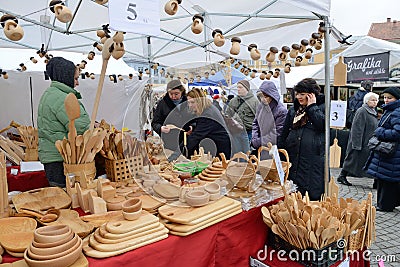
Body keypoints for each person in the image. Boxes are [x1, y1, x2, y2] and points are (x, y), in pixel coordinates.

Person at [37, 57, 90, 187]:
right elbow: (82, 129)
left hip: (52, 158)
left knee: (61, 200)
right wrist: (93, 127)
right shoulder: (61, 97)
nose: (77, 83)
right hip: (61, 160)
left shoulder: (50, 94)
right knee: (69, 200)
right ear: (65, 77)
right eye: (76, 78)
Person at [277, 78, 325, 201]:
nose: (298, 97)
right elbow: (285, 132)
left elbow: (322, 125)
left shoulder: (322, 108)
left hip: (312, 160)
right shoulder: (294, 110)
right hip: (293, 157)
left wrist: (312, 107)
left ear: (311, 94)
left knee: (311, 195)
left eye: (302, 94)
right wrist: (281, 153)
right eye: (297, 93)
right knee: (293, 193)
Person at [168, 88, 231, 161]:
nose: (190, 105)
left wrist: (174, 157)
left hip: (221, 148)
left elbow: (194, 138)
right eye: (189, 102)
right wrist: (193, 127)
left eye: (192, 102)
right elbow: (198, 123)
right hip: (215, 144)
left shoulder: (208, 114)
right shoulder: (206, 109)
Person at [366, 87, 400, 212]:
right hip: (388, 152)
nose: (386, 100)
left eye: (389, 98)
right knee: (383, 179)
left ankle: (385, 205)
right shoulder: (390, 110)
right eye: (385, 97)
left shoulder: (396, 111)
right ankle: (383, 203)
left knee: (387, 180)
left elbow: (397, 132)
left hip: (392, 152)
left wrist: (381, 132)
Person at [337, 92, 379, 186]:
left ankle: (376, 181)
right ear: (367, 101)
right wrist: (356, 144)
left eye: (376, 100)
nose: (375, 102)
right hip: (361, 142)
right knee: (352, 160)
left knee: (371, 162)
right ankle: (342, 176)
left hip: (369, 143)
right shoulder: (362, 111)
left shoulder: (372, 112)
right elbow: (357, 128)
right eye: (373, 100)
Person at [151, 79, 193, 151]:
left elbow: (195, 118)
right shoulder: (162, 103)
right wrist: (161, 128)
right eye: (171, 93)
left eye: (176, 94)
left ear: (182, 91)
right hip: (169, 142)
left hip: (188, 141)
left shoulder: (189, 102)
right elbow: (155, 123)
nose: (173, 97)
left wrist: (193, 127)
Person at [251, 81, 287, 159]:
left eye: (266, 96)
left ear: (272, 96)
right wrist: (254, 138)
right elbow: (255, 123)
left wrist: (258, 141)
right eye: (261, 96)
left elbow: (277, 133)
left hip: (273, 149)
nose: (263, 99)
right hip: (260, 147)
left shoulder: (281, 111)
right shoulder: (261, 107)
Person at [225, 80, 258, 154]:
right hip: (235, 131)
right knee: (236, 153)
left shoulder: (255, 102)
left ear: (246, 88)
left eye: (240, 87)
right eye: (237, 87)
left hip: (248, 132)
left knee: (246, 153)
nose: (238, 89)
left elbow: (259, 119)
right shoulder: (233, 101)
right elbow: (227, 115)